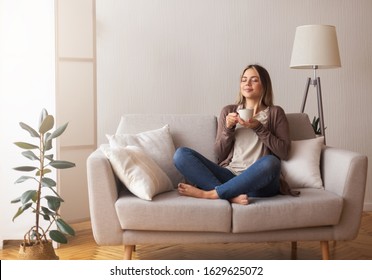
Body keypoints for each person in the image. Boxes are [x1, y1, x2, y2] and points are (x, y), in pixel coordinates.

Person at [173, 64, 292, 205]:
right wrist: (228, 128)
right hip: (230, 176)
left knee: (271, 162)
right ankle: (230, 196)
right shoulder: (229, 111)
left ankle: (210, 194)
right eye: (244, 79)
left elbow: (284, 152)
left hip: (260, 183)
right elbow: (220, 154)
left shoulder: (275, 113)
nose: (247, 84)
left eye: (254, 80)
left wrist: (259, 128)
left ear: (264, 85)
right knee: (181, 155)